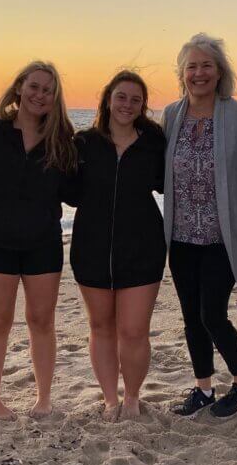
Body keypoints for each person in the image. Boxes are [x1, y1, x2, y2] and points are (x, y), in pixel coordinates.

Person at [163, 34, 237, 420]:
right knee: (191, 315)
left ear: (220, 71)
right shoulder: (172, 115)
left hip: (224, 235)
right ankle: (203, 388)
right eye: (192, 66)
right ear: (182, 73)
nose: (199, 73)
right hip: (181, 236)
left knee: (212, 314)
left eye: (207, 65)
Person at [0, 61, 77, 420]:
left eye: (48, 90)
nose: (40, 95)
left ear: (55, 98)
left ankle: (44, 397)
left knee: (41, 321)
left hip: (43, 243)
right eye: (34, 87)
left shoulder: (62, 142)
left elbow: (76, 193)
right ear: (19, 88)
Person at [69, 71, 167, 422]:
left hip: (143, 248)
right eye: (121, 97)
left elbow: (174, 183)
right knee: (101, 328)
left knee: (134, 330)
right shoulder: (83, 143)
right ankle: (111, 398)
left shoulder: (155, 143)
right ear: (108, 99)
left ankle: (133, 398)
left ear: (142, 106)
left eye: (135, 99)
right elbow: (67, 190)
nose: (127, 105)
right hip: (90, 247)